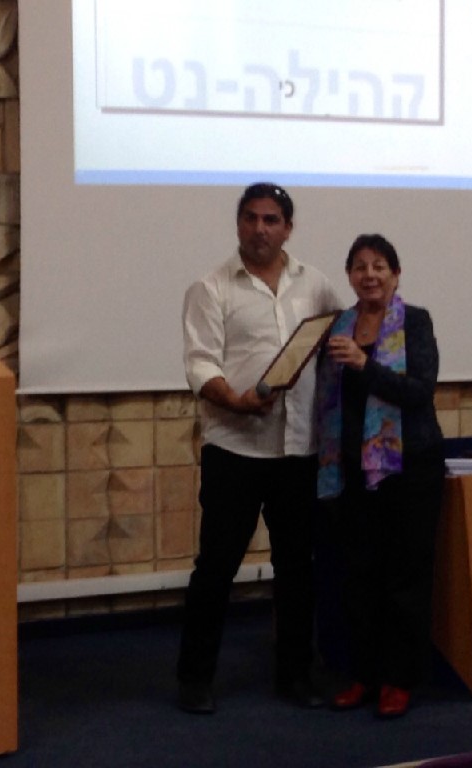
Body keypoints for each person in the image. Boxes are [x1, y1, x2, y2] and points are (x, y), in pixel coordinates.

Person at [177, 182, 341, 713]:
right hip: (235, 449)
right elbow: (200, 363)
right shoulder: (211, 287)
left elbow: (336, 344)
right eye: (250, 218)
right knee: (216, 568)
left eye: (271, 219)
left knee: (297, 570)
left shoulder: (315, 284)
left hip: (298, 450)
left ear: (288, 228)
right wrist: (237, 401)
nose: (260, 228)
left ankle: (295, 676)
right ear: (238, 224)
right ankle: (194, 680)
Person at [315, 233, 446, 719]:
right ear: (349, 275)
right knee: (359, 578)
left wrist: (364, 364)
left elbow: (419, 392)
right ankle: (363, 675)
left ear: (396, 274)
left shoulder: (416, 322)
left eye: (379, 266)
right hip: (350, 472)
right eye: (359, 266)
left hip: (409, 469)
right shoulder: (336, 326)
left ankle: (399, 679)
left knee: (404, 579)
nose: (369, 274)